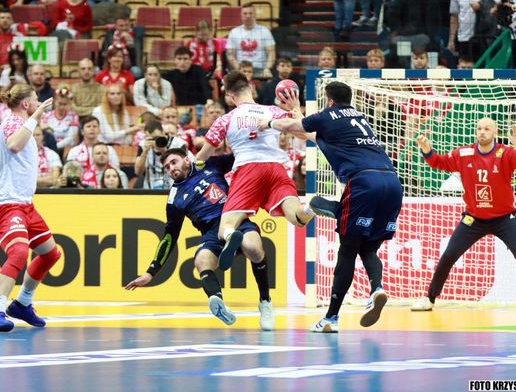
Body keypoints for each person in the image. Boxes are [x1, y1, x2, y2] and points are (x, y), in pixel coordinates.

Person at [260, 81, 403, 331]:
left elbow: (292, 127)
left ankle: (331, 318)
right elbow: (311, 135)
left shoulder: (327, 115)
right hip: (392, 183)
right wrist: (296, 109)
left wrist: (268, 123)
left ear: (329, 101)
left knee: (347, 250)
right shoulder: (358, 118)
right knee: (368, 248)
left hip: (363, 183)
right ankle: (377, 288)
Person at [125, 147, 275, 330]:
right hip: (211, 232)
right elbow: (169, 237)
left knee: (254, 248)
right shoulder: (174, 199)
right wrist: (151, 272)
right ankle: (218, 303)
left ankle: (265, 301)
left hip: (235, 218)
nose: (171, 168)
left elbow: (241, 155)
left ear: (187, 160)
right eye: (167, 167)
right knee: (201, 261)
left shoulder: (210, 165)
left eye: (174, 162)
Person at [411, 118, 516, 313]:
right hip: (474, 219)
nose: (482, 132)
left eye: (487, 129)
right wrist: (427, 149)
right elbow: (437, 162)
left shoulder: (505, 153)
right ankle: (429, 298)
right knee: (449, 254)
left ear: (495, 133)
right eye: (479, 128)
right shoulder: (464, 153)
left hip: (504, 218)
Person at [196, 70, 315, 271]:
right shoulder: (273, 112)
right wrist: (295, 108)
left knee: (225, 227)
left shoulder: (225, 119)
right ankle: (310, 208)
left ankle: (232, 235)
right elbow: (304, 134)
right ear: (251, 88)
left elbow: (203, 155)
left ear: (230, 96)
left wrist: (197, 164)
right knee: (297, 218)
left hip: (248, 170)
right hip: (276, 169)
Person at [0, 85, 59, 332]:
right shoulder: (13, 121)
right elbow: (14, 145)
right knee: (18, 253)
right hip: (8, 204)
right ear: (26, 104)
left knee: (50, 253)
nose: (38, 103)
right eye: (35, 100)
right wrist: (36, 116)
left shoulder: (23, 124)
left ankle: (22, 303)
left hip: (26, 204)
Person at [225, 3, 275, 78]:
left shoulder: (265, 31)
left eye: (250, 13)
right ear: (241, 16)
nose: (248, 16)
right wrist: (239, 68)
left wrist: (267, 69)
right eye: (245, 13)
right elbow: (230, 55)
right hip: (241, 69)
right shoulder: (234, 32)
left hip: (260, 70)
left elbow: (271, 53)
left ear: (255, 15)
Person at [40, 86, 79, 153]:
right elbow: (46, 135)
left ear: (69, 104)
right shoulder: (47, 116)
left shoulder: (73, 116)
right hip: (50, 145)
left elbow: (71, 138)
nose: (62, 107)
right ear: (54, 102)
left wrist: (55, 147)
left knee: (68, 147)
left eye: (65, 104)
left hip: (66, 147)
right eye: (60, 104)